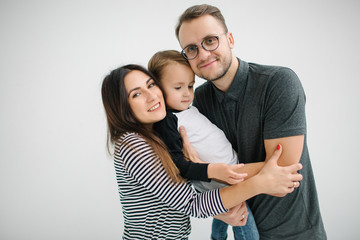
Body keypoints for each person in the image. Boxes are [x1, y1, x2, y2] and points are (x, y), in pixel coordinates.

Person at [174, 4, 327, 240]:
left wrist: (206, 172)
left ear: (230, 39)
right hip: (241, 230)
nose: (203, 54)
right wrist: (214, 200)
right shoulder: (195, 101)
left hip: (295, 233)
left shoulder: (278, 83)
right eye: (192, 48)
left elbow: (284, 167)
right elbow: (186, 172)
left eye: (211, 40)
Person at [101, 64, 303, 240]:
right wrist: (259, 182)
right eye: (136, 94)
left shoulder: (158, 134)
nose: (152, 95)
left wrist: (219, 210)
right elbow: (192, 204)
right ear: (121, 107)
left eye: (151, 85)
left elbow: (176, 194)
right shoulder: (132, 144)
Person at [148, 49, 259, 240]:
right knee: (243, 218)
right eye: (178, 88)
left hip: (227, 172)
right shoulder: (168, 120)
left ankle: (217, 237)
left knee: (228, 214)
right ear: (157, 88)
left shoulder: (186, 110)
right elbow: (178, 164)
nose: (187, 94)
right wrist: (211, 170)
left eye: (190, 86)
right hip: (218, 179)